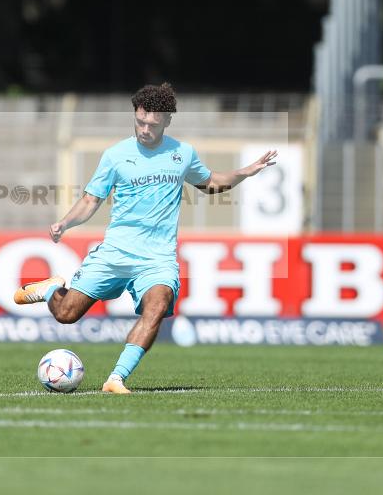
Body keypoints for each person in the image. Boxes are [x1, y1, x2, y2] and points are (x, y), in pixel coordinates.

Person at [14, 83, 276, 393]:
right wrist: (64, 224)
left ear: (167, 122)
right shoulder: (116, 155)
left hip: (158, 258)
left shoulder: (182, 154)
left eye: (152, 124)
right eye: (140, 121)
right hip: (116, 252)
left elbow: (212, 183)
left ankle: (116, 378)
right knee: (66, 314)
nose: (144, 129)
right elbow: (90, 200)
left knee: (158, 305)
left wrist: (244, 172)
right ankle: (50, 290)